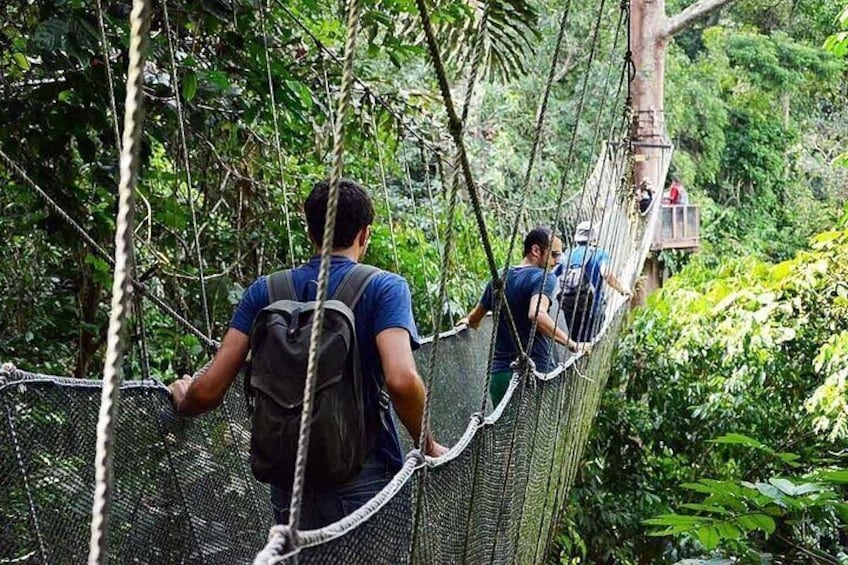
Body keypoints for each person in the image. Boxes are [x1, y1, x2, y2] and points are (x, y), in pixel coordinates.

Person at [169, 178, 447, 529]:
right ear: (365, 234)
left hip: (289, 489)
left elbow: (208, 391)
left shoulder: (265, 291)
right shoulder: (384, 288)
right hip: (366, 481)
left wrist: (184, 399)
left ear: (311, 232)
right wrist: (429, 444)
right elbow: (402, 379)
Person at [457, 227, 586, 407]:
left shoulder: (500, 276)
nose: (558, 261)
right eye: (554, 255)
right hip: (535, 376)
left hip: (500, 376)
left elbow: (475, 318)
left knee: (507, 435)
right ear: (535, 250)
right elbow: (536, 314)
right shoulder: (544, 278)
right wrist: (572, 344)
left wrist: (466, 322)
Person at [556, 221, 632, 342]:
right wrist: (622, 290)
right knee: (594, 341)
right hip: (593, 311)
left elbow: (553, 276)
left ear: (576, 238)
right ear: (593, 238)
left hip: (570, 312)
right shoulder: (599, 254)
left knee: (578, 346)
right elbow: (606, 273)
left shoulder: (567, 256)